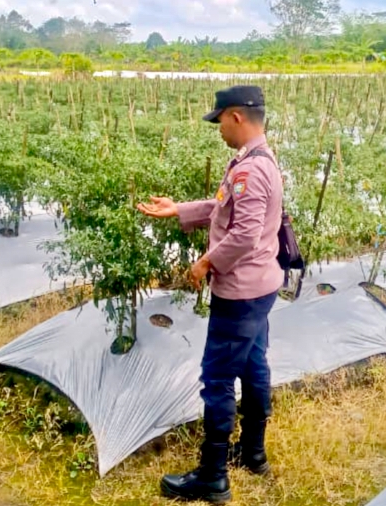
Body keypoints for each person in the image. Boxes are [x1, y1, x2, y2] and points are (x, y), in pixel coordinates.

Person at [136, 84, 283, 504]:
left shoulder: (249, 170)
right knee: (253, 365)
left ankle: (212, 476)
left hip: (239, 293)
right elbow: (225, 208)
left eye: (219, 121)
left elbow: (244, 234)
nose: (218, 129)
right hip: (261, 287)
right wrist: (179, 209)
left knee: (217, 378)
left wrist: (205, 263)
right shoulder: (259, 159)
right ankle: (253, 453)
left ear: (236, 116)